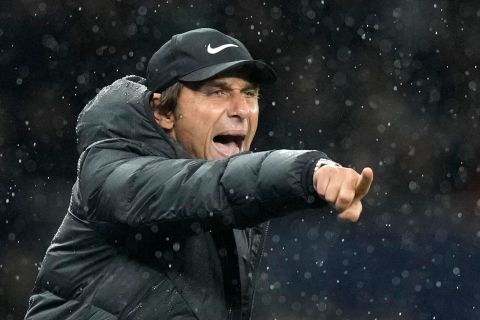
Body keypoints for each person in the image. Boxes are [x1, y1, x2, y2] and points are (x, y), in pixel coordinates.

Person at [24, 28, 373, 320]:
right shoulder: (110, 170)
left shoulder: (234, 200)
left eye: (250, 93)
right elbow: (204, 188)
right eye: (217, 91)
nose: (240, 110)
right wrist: (306, 172)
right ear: (164, 110)